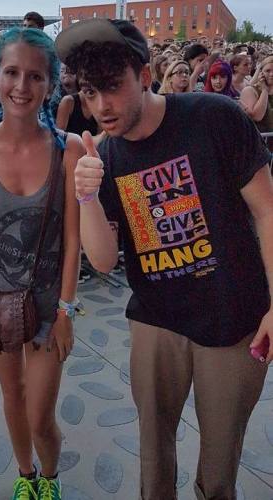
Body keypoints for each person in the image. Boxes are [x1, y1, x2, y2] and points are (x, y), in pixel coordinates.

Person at [56, 17, 273, 500]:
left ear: (145, 75)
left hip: (233, 318)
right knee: (153, 462)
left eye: (112, 88)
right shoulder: (107, 156)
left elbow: (267, 208)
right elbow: (105, 260)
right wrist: (86, 196)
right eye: (90, 93)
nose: (101, 107)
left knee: (219, 470)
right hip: (156, 321)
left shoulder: (213, 116)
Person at [0, 26, 82, 500]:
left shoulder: (67, 150)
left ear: (51, 84)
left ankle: (50, 477)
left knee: (41, 412)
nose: (22, 86)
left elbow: (73, 240)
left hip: (51, 305)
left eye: (35, 75)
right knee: (13, 396)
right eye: (12, 72)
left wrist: (68, 311)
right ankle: (26, 477)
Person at [241, 56, 273, 153]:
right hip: (259, 147)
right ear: (261, 72)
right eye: (268, 71)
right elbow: (257, 116)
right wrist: (264, 91)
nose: (272, 74)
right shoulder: (250, 90)